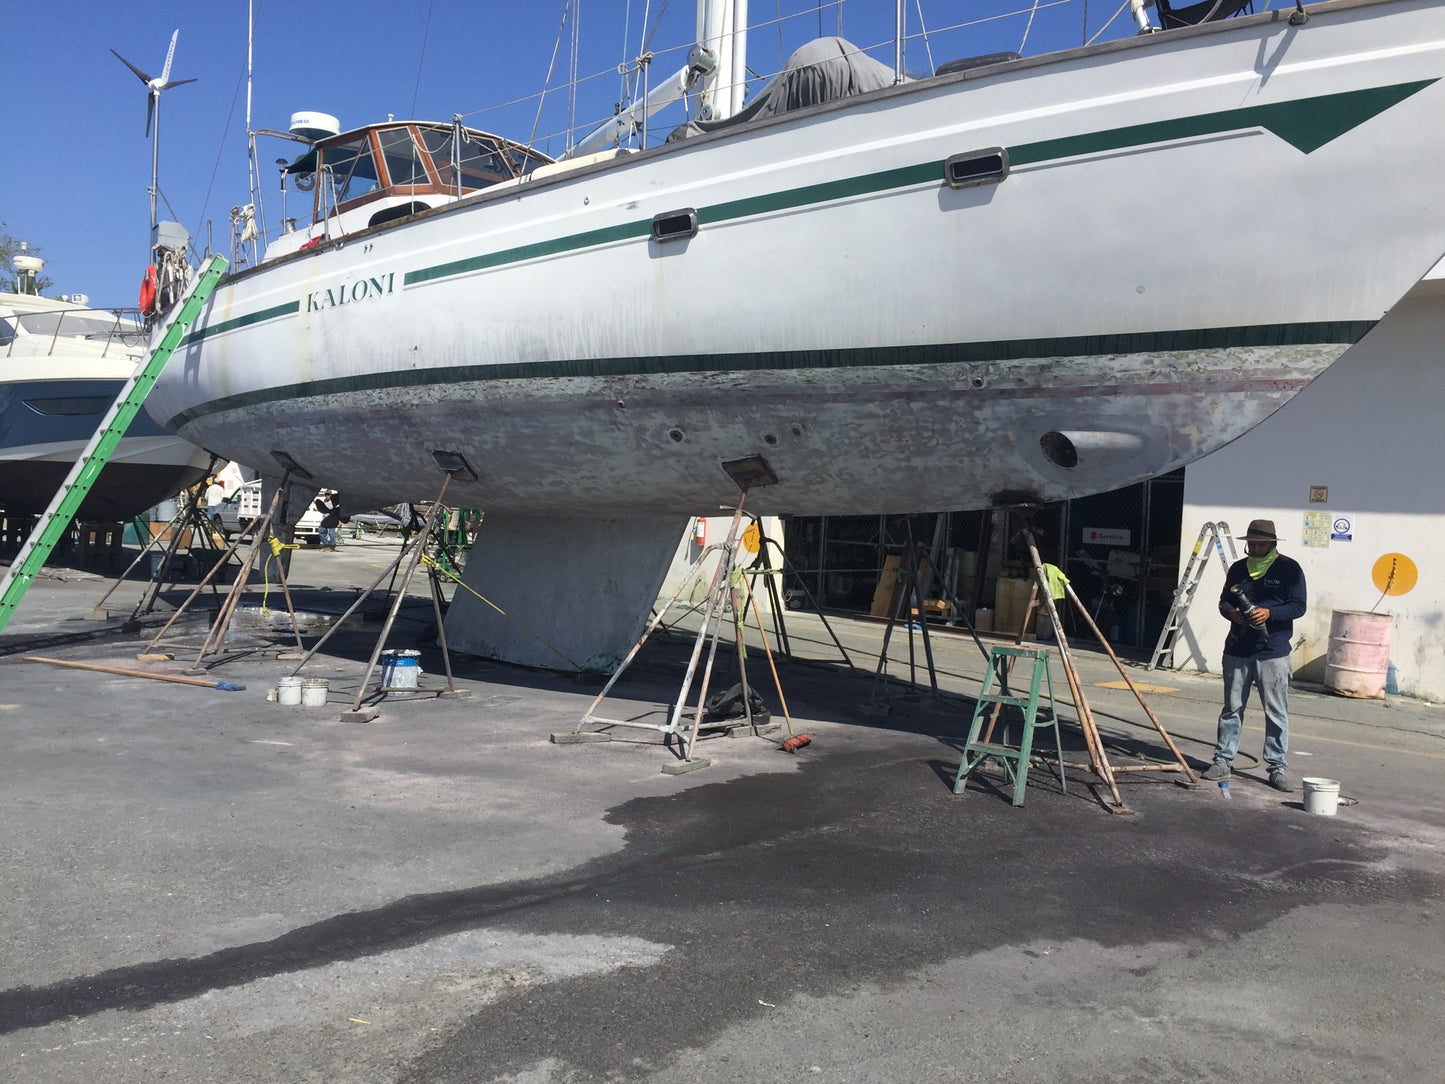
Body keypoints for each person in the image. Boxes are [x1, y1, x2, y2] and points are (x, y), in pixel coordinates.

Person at [1201, 519, 1307, 793]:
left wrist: (1270, 613)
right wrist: (1231, 613)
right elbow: (1224, 601)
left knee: (1275, 711)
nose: (1257, 547)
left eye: (1262, 543)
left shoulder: (1289, 569)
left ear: (1273, 544)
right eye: (1253, 543)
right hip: (1237, 648)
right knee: (1232, 708)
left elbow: (1298, 606)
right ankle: (1223, 760)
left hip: (1273, 651)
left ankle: (1276, 767)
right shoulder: (1238, 569)